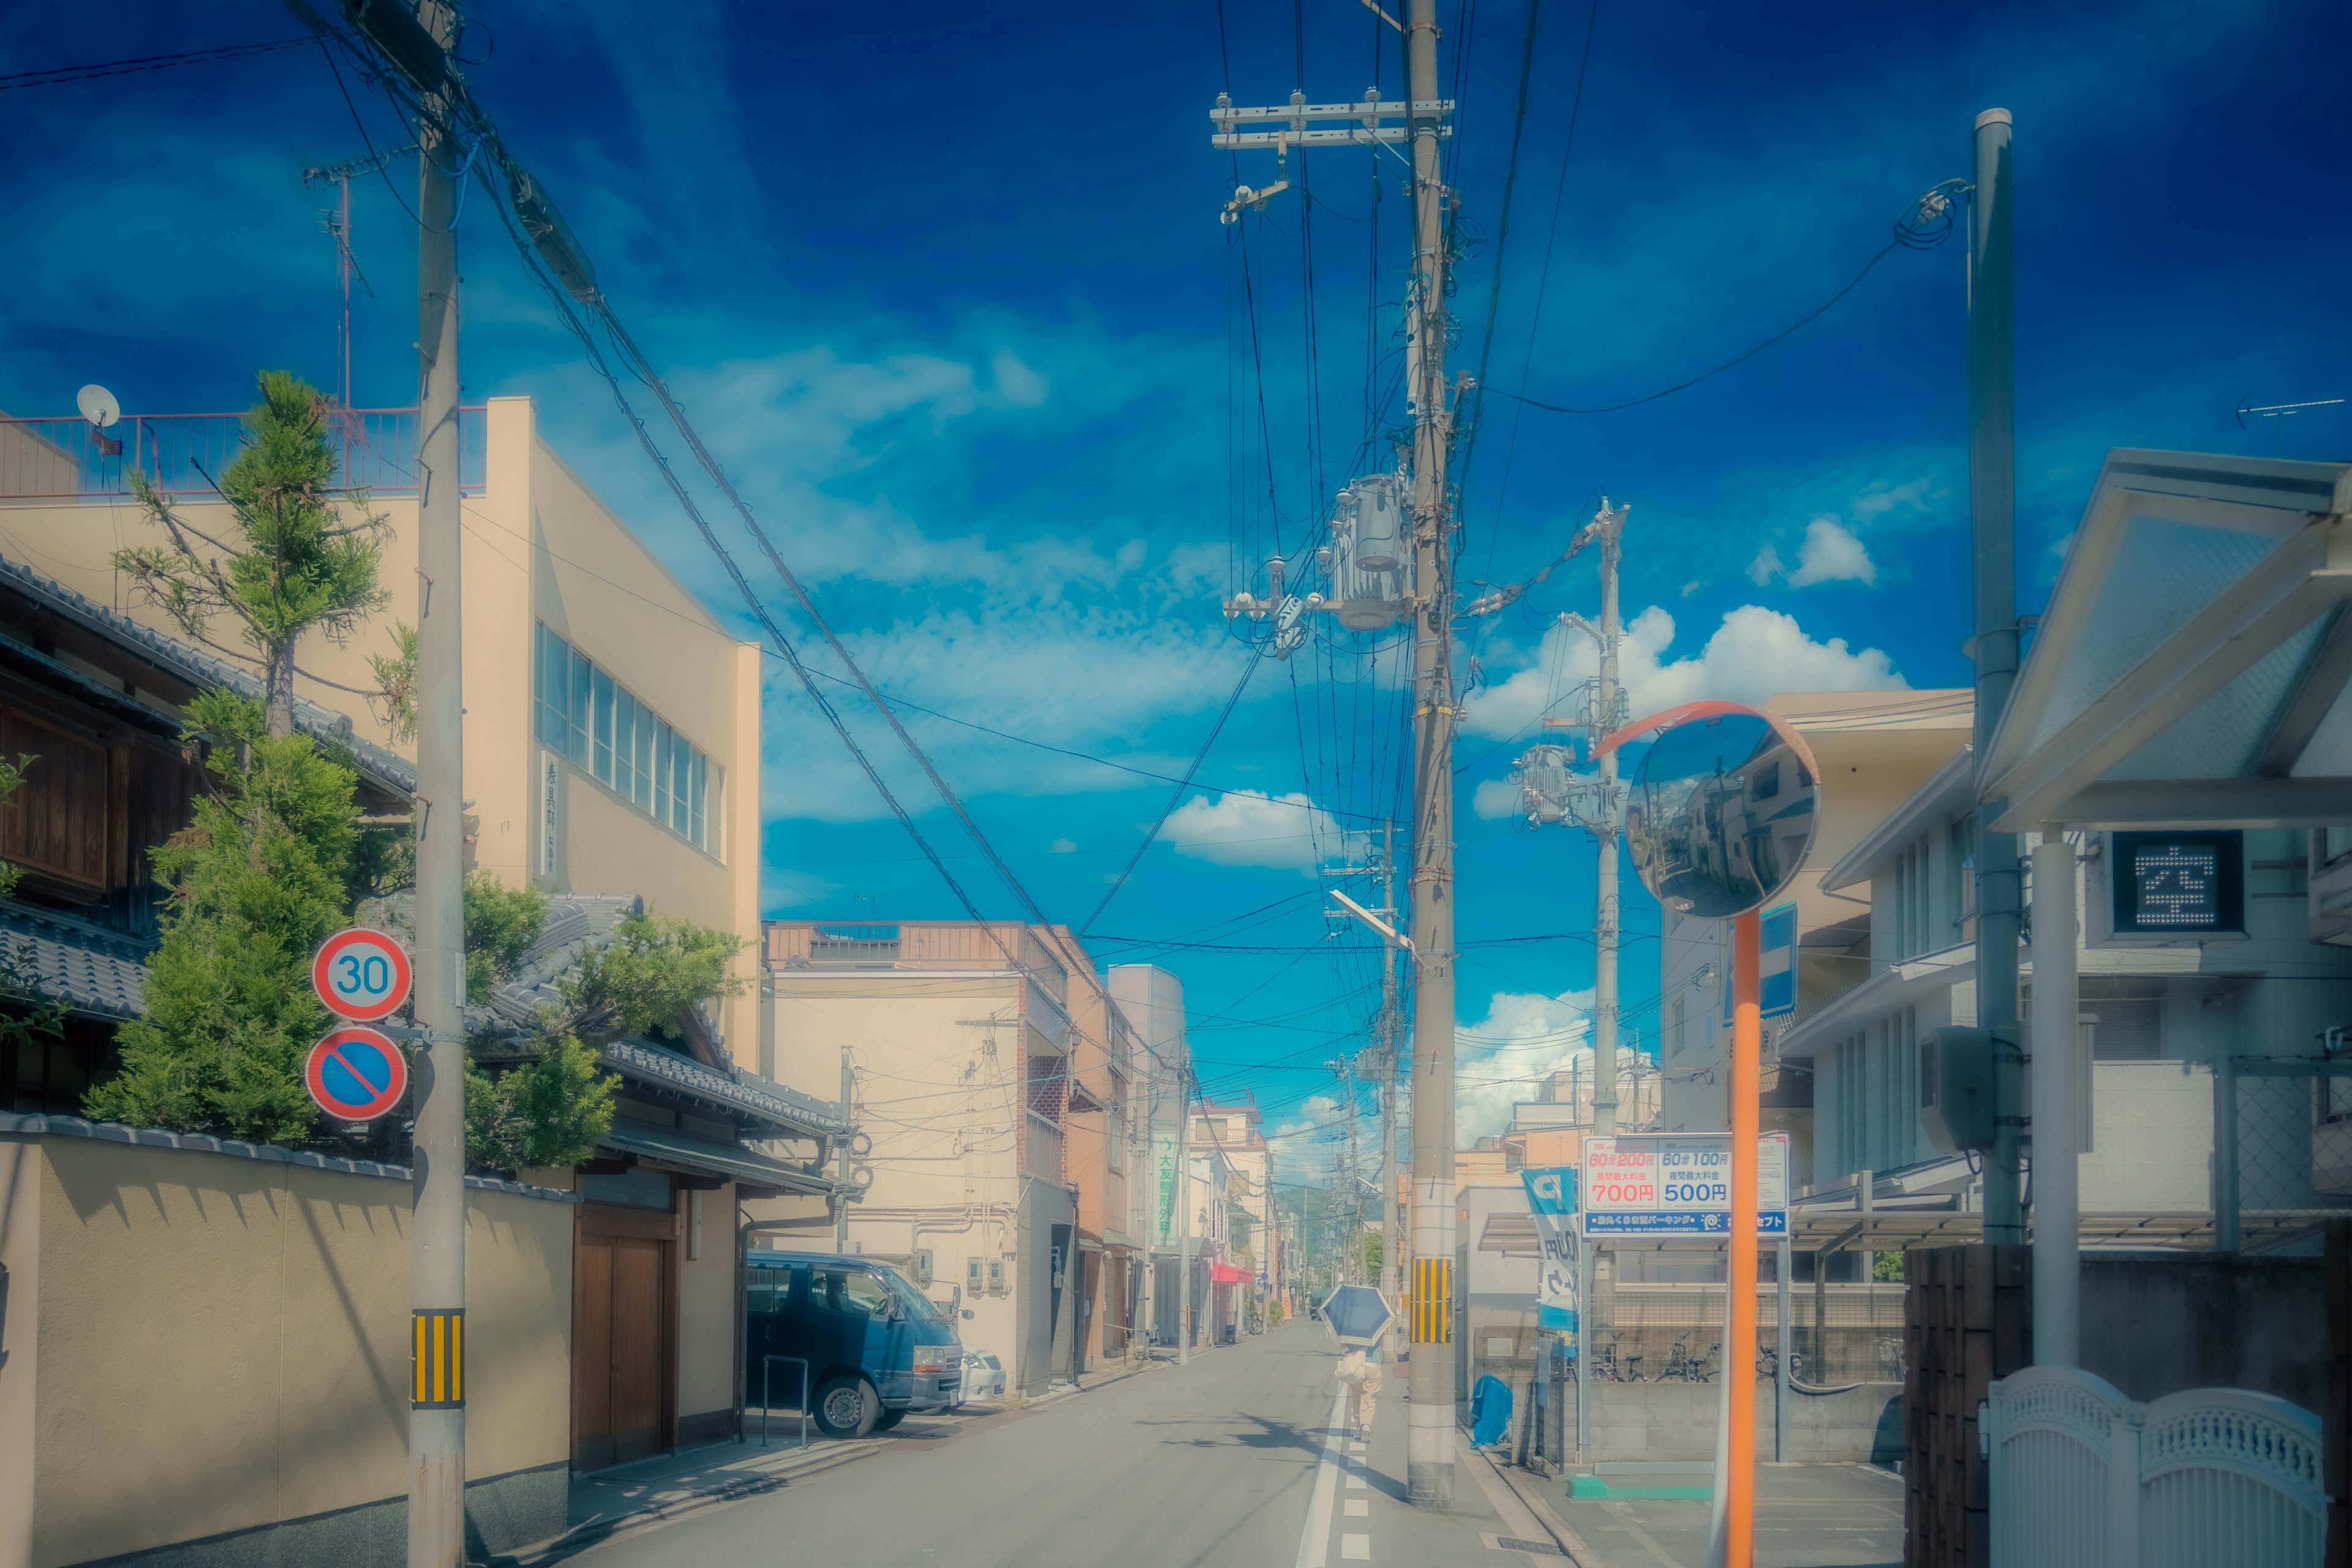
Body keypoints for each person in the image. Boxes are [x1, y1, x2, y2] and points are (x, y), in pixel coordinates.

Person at [1334, 1348, 1383, 1443]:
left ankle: (1360, 1428)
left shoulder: (1352, 1333)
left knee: (1357, 1397)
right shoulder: (1375, 1332)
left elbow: (1345, 1345)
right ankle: (1366, 1425)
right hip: (1374, 1366)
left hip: (1356, 1365)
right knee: (1369, 1398)